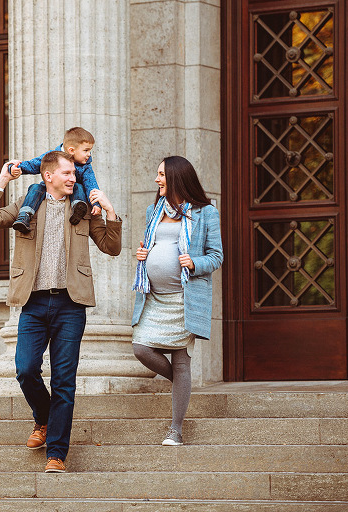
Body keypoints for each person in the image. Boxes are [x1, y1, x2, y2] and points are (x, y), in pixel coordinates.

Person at [0, 151, 122, 473]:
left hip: (71, 305)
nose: (74, 177)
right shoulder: (27, 206)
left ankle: (56, 453)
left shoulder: (83, 209)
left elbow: (111, 247)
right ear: (48, 176)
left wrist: (109, 211)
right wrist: (2, 179)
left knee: (64, 381)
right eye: (68, 172)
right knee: (25, 369)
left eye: (75, 173)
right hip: (34, 303)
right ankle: (43, 418)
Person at [131, 156, 223, 446]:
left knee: (182, 362)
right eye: (157, 174)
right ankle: (181, 386)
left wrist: (194, 262)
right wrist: (143, 255)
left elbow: (217, 256)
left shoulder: (205, 213)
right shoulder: (153, 211)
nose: (157, 180)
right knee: (141, 348)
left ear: (176, 178)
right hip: (154, 297)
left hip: (185, 299)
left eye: (161, 175)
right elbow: (153, 243)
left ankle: (176, 429)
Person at [9, 127, 102, 233]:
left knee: (78, 186)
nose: (89, 154)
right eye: (86, 150)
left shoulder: (85, 166)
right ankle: (24, 215)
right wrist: (18, 167)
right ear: (71, 150)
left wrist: (96, 204)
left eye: (90, 150)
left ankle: (78, 208)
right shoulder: (53, 156)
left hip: (73, 192)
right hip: (50, 188)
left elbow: (91, 185)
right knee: (35, 188)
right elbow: (35, 164)